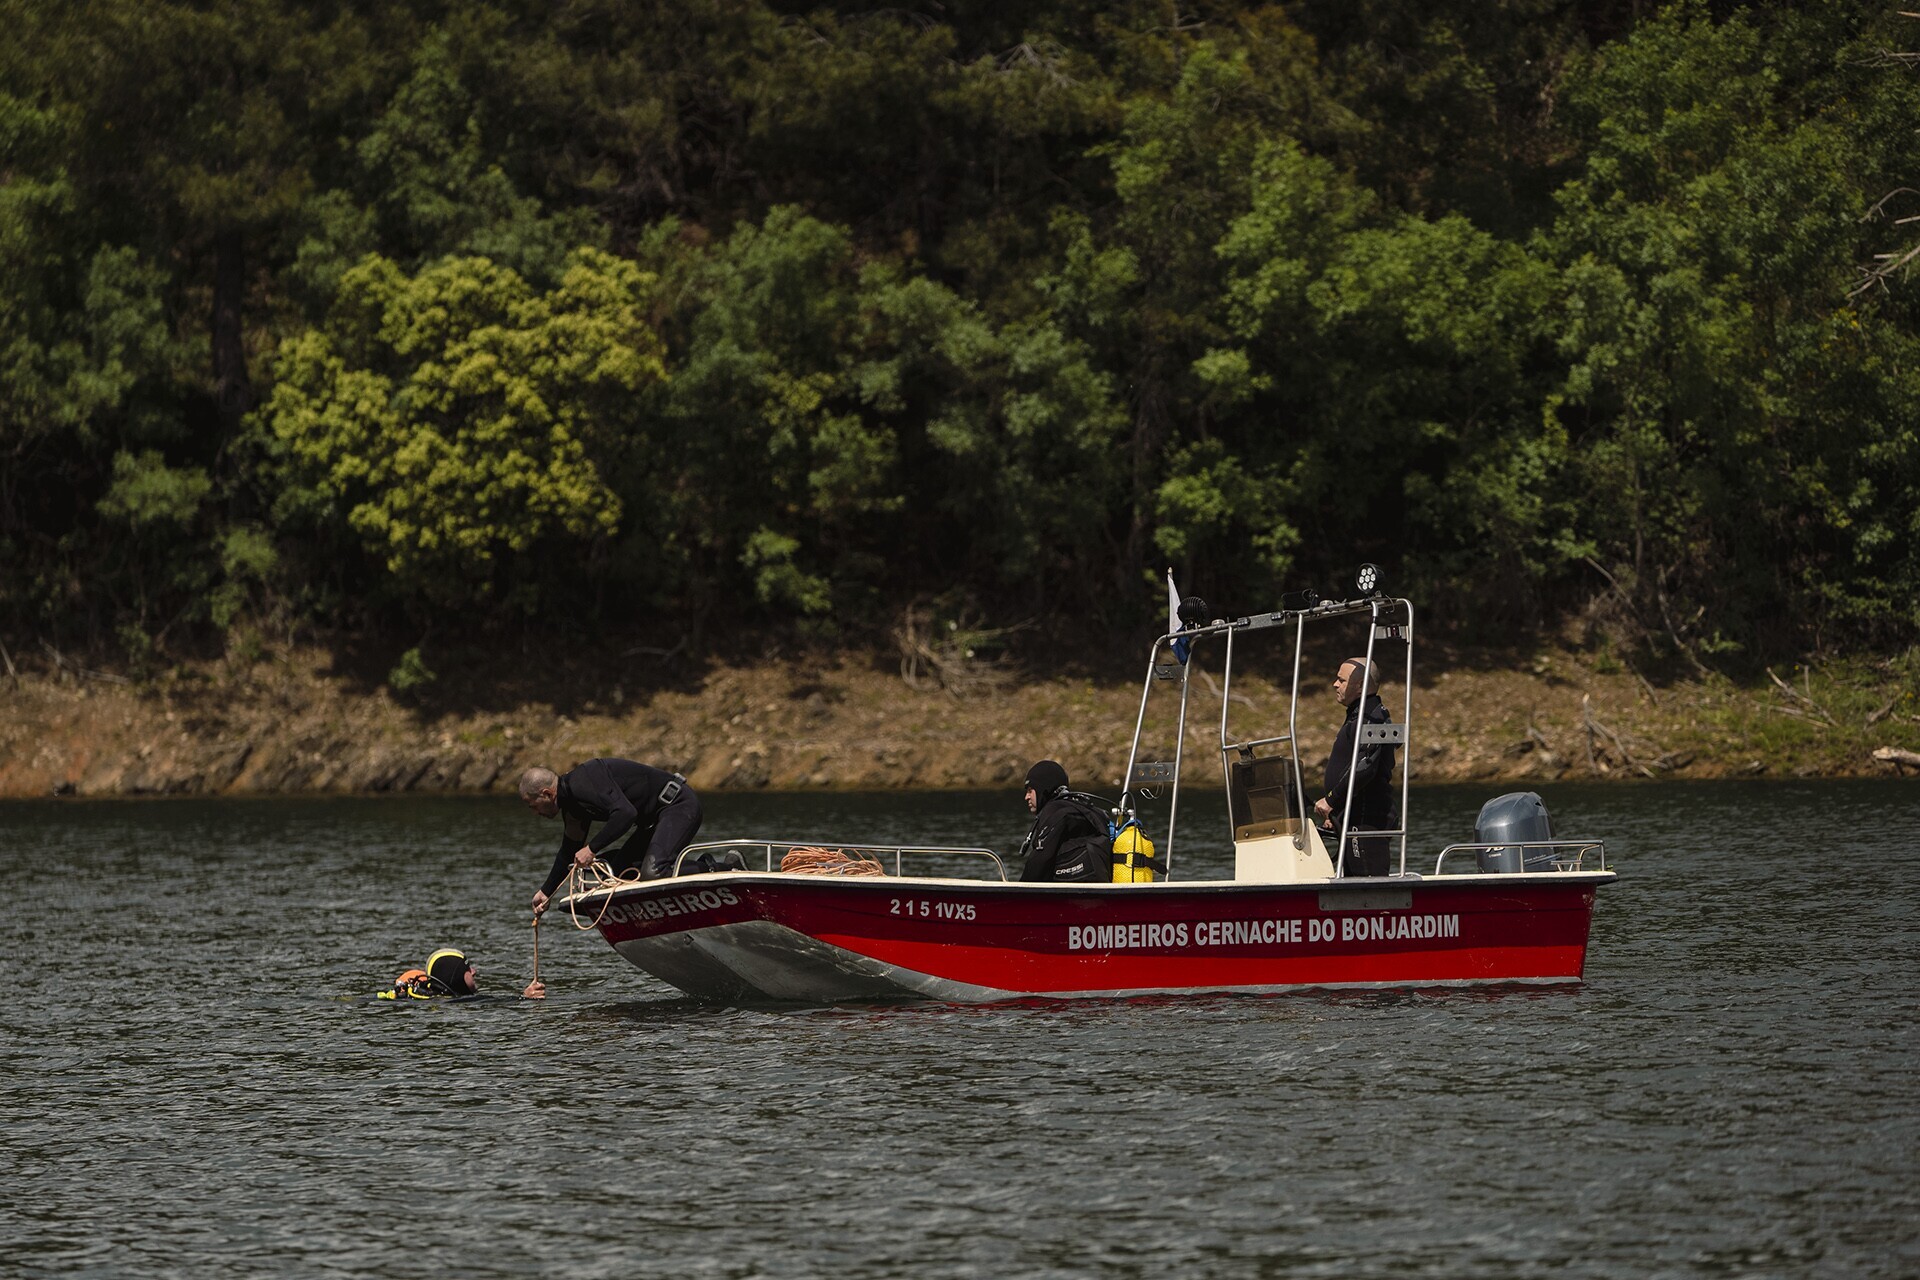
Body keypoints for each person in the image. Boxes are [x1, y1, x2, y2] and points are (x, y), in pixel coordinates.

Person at [521, 758, 705, 915]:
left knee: (654, 872)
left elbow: (625, 814)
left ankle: (715, 867)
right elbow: (568, 852)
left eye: (532, 806)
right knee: (609, 874)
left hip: (677, 804)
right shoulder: (572, 808)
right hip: (652, 821)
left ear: (546, 794)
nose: (535, 813)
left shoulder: (583, 783)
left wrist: (592, 849)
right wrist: (546, 892)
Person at [1313, 657, 1398, 876]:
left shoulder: (1373, 718)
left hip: (1367, 822)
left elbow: (1365, 768)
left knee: (1367, 890)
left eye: (1341, 680)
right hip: (1352, 820)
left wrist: (1331, 800)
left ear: (1359, 686)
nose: (1335, 684)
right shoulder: (1357, 715)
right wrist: (1338, 813)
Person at [1016, 760, 1111, 883]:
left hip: (1071, 896)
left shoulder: (1054, 811)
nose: (1026, 797)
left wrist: (1018, 890)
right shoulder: (1083, 808)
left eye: (1030, 790)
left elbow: (1038, 862)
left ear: (1043, 789)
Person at [378, 947, 547, 1000]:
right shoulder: (461, 1003)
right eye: (468, 968)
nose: (474, 972)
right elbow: (494, 1002)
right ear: (455, 976)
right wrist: (524, 998)